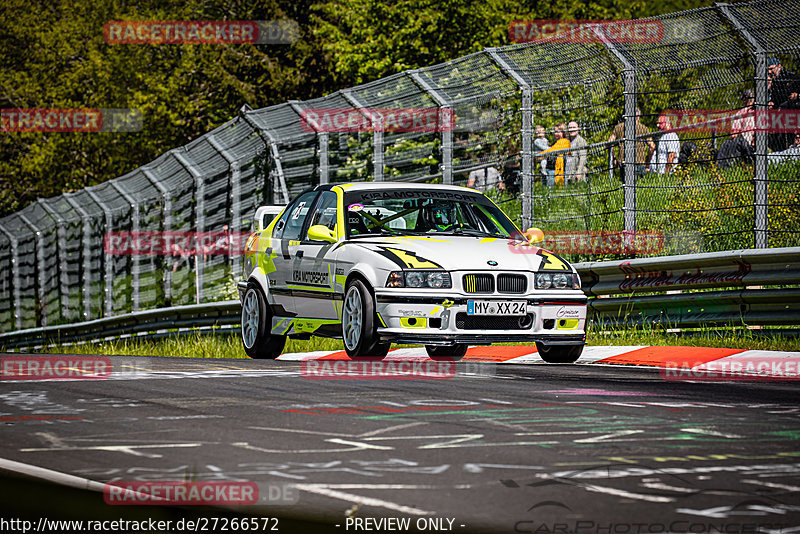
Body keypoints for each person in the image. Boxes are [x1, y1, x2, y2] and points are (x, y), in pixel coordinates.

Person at [608, 107, 651, 180]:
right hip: (640, 162)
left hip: (624, 163)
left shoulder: (619, 127)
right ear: (637, 116)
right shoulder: (643, 128)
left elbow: (610, 142)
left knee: (626, 187)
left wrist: (614, 158)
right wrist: (647, 162)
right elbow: (652, 146)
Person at [716, 90, 756, 170]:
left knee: (726, 144)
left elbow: (733, 134)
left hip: (745, 144)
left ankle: (721, 168)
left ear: (744, 99)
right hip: (753, 145)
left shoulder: (740, 113)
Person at [538, 123, 571, 187]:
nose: (556, 134)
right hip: (550, 169)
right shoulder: (555, 142)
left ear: (563, 132)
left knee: (553, 191)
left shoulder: (564, 142)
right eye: (555, 132)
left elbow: (551, 151)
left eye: (558, 132)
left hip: (555, 170)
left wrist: (538, 156)